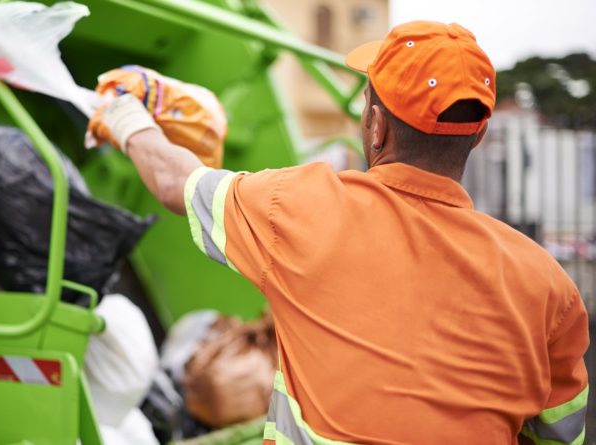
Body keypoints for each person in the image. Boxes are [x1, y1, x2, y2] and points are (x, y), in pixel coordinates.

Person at [87, 21, 589, 445]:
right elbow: (561, 431)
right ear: (478, 134)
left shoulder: (299, 208)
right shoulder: (548, 286)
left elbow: (177, 182)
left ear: (375, 127)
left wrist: (127, 116)